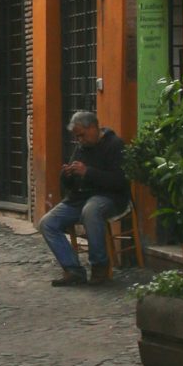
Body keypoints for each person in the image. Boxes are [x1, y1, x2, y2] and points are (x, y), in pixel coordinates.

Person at [39, 110, 130, 286]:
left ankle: (99, 266)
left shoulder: (115, 145)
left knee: (91, 210)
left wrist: (88, 172)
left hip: (109, 197)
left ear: (94, 128)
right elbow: (70, 187)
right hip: (78, 199)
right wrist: (67, 175)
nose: (79, 140)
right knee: (47, 223)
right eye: (77, 137)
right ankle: (73, 270)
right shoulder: (81, 148)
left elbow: (119, 181)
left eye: (82, 135)